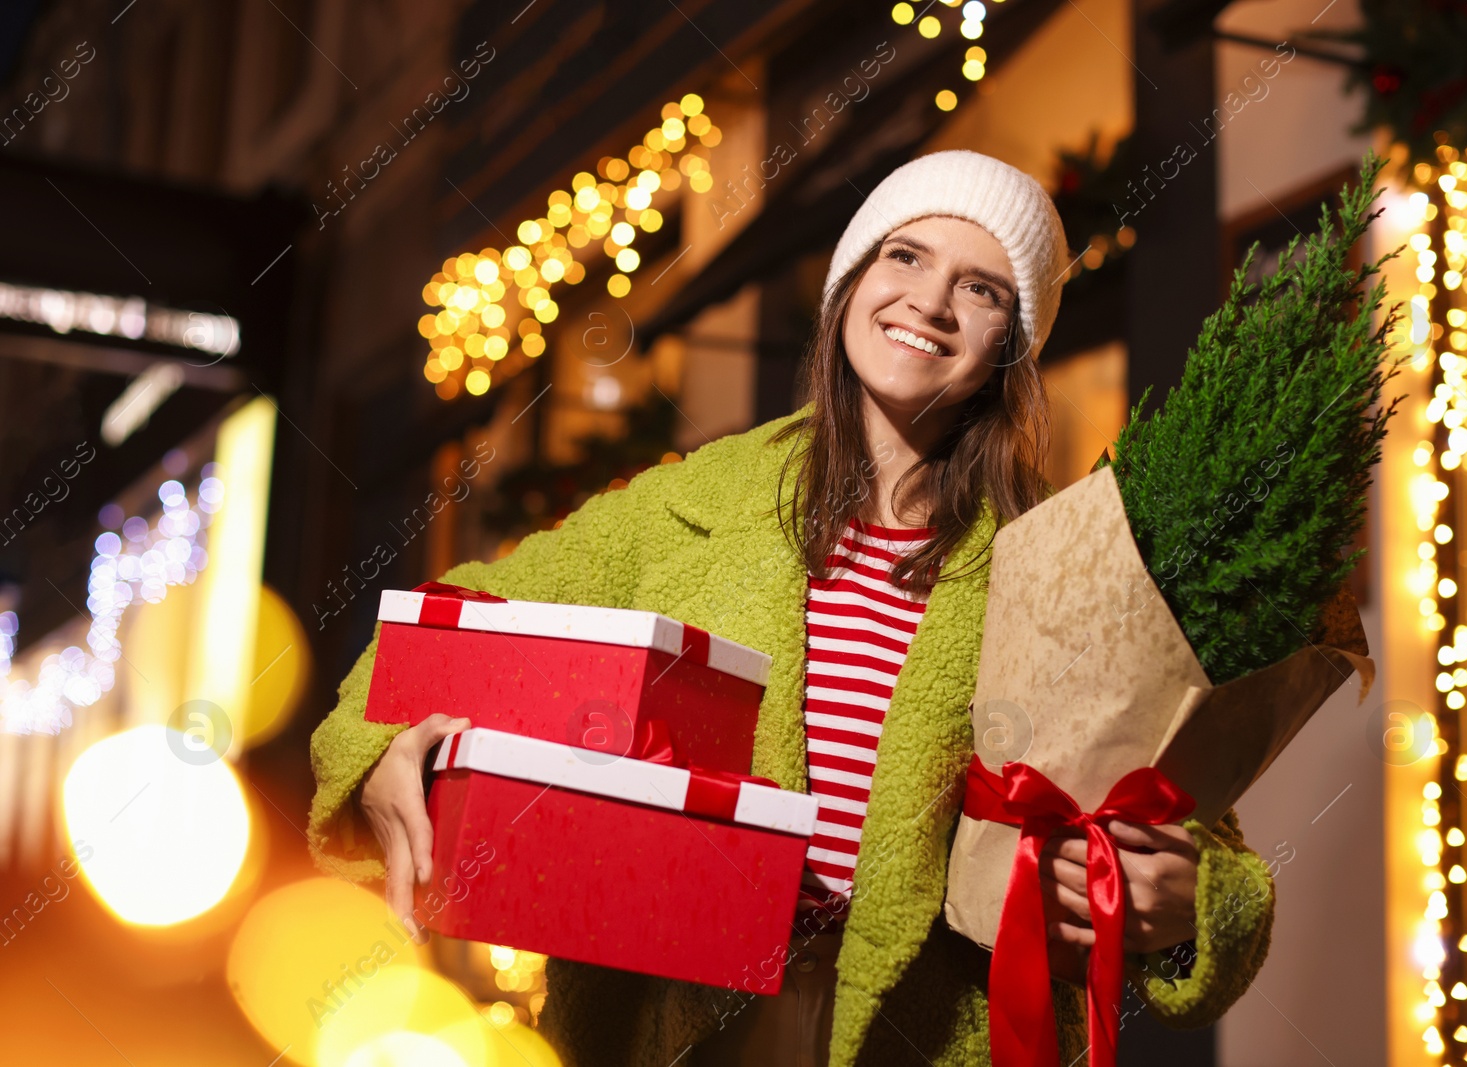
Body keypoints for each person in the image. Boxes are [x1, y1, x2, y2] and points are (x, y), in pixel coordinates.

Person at [307, 148, 1276, 1066]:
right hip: (667, 1028)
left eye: (980, 289)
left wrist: (1193, 901)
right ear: (852, 280)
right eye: (905, 255)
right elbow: (451, 625)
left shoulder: (1061, 566)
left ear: (1009, 345)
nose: (928, 302)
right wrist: (392, 746)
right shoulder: (683, 506)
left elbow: (1206, 832)